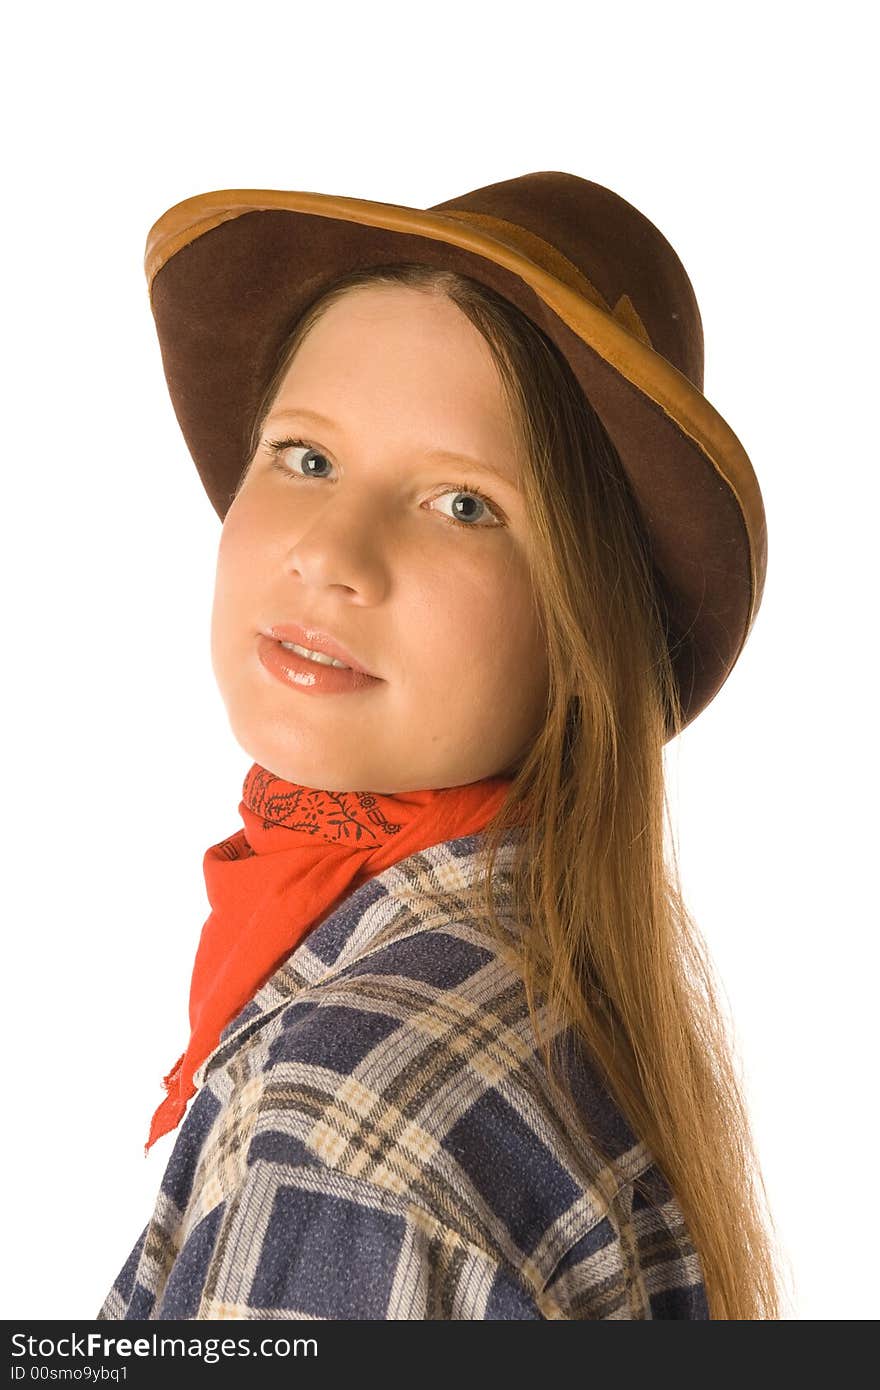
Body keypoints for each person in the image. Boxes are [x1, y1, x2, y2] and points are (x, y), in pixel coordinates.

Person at [97, 171, 785, 1320]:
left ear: (580, 626)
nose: (333, 555)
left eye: (463, 505)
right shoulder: (545, 978)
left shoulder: (342, 1128)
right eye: (306, 458)